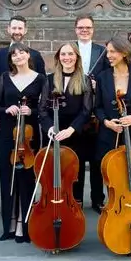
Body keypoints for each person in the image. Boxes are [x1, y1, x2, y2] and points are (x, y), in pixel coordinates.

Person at [0, 42, 47, 243]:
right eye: (14, 54)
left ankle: (25, 224)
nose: (18, 56)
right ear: (11, 59)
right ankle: (10, 223)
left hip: (30, 135)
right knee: (8, 178)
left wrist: (30, 111)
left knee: (27, 179)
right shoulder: (4, 78)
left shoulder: (40, 79)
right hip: (8, 133)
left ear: (28, 55)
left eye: (21, 52)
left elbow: (44, 109)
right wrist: (6, 109)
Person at [94, 36, 131, 213]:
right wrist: (107, 122)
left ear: (124, 52)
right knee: (109, 174)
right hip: (109, 134)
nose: (108, 55)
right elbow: (98, 107)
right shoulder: (103, 78)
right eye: (107, 51)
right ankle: (112, 206)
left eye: (112, 51)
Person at [39, 43, 94, 207]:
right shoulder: (49, 79)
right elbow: (42, 110)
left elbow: (86, 110)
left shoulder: (85, 80)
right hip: (54, 133)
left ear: (76, 57)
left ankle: (74, 208)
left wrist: (71, 130)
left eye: (70, 54)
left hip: (76, 133)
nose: (67, 57)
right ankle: (52, 206)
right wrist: (50, 128)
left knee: (74, 174)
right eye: (63, 54)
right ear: (58, 57)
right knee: (53, 173)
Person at [72, 15, 106, 211]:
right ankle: (76, 198)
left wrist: (97, 84)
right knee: (76, 157)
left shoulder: (101, 52)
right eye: (81, 27)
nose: (84, 30)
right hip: (76, 110)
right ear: (75, 29)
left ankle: (97, 199)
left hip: (95, 113)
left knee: (96, 158)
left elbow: (106, 78)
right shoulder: (69, 51)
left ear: (93, 29)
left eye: (88, 27)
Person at [0, 16, 46, 131]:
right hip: (6, 114)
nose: (17, 31)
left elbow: (44, 86)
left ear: (25, 30)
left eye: (20, 28)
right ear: (8, 29)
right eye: (14, 28)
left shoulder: (36, 55)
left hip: (29, 120)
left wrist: (36, 112)